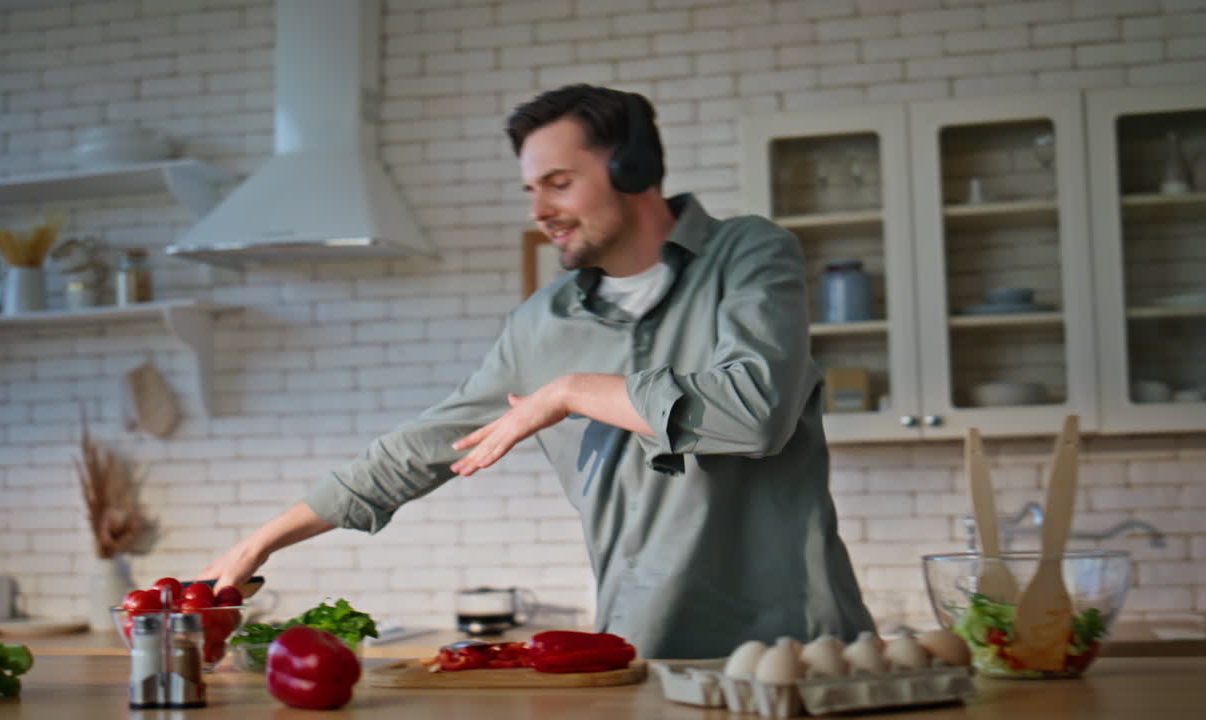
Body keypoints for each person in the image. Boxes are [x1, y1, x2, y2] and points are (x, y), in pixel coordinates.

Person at [199, 84, 874, 659]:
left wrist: (570, 392)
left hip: (799, 647)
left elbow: (754, 415)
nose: (538, 211)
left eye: (558, 183)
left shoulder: (748, 253)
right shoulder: (539, 323)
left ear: (633, 169)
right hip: (641, 646)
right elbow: (427, 446)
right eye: (531, 189)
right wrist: (260, 543)